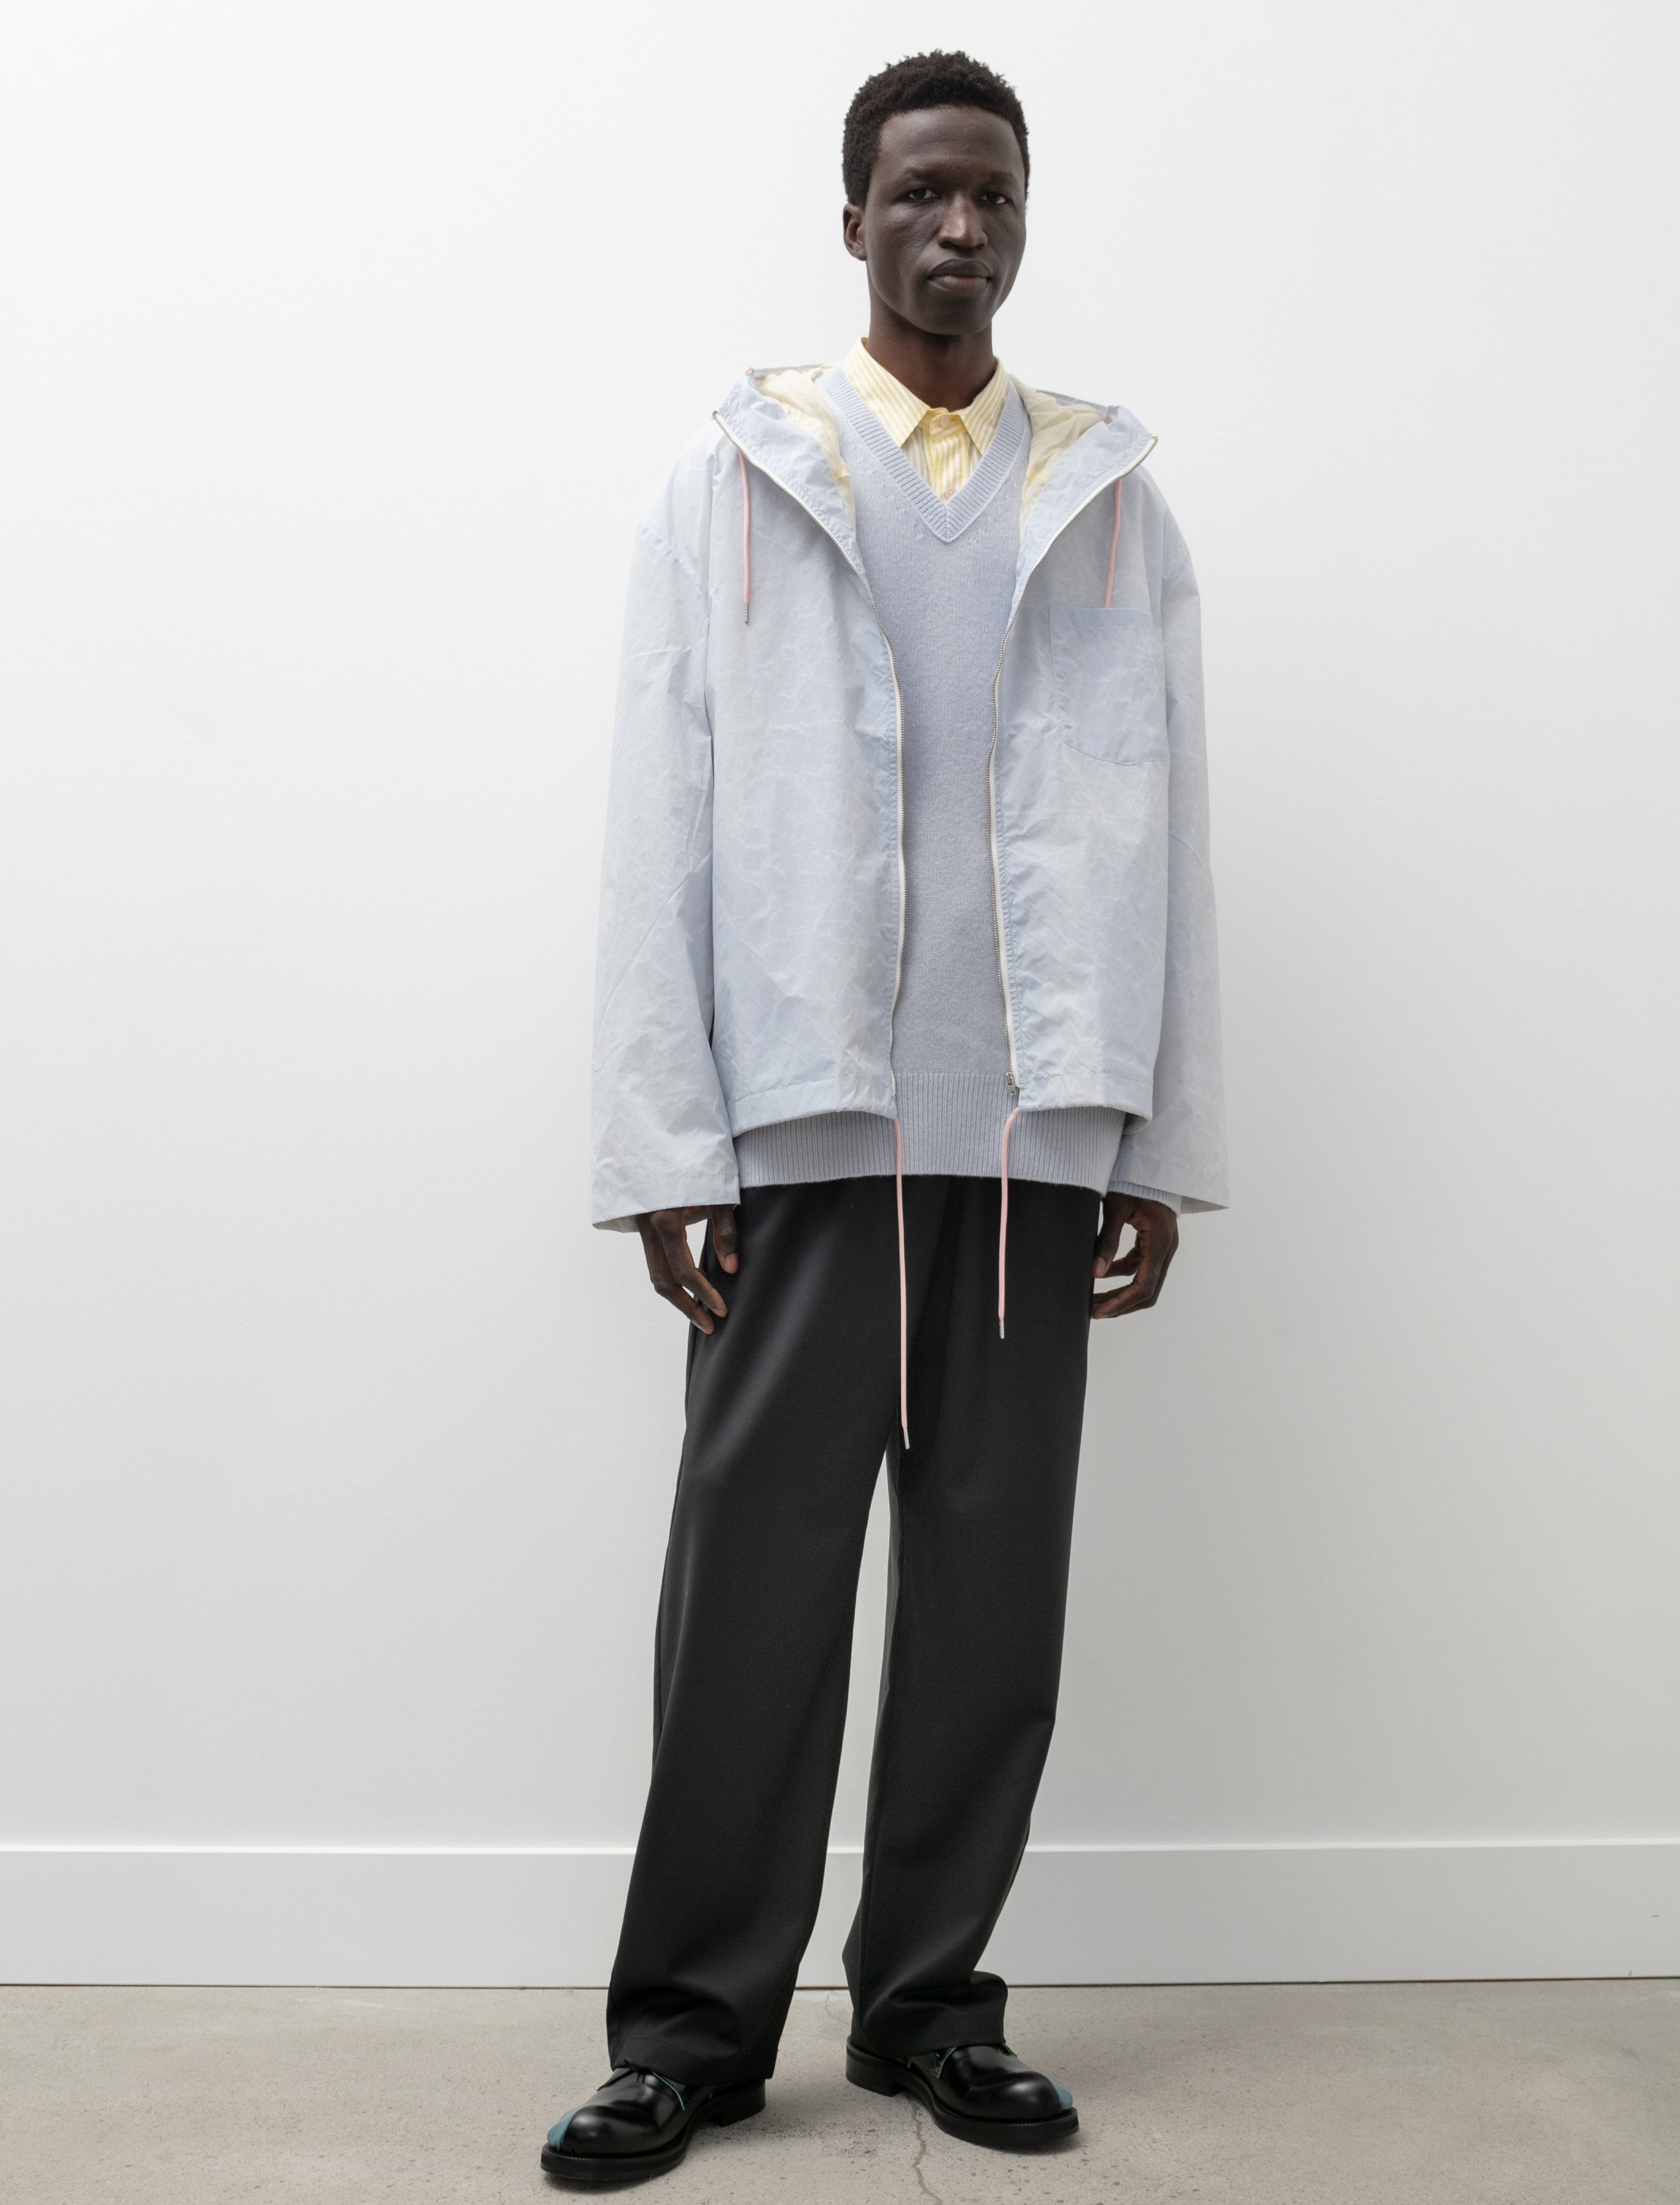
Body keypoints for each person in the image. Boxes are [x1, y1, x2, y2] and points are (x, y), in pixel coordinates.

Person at [543, 49, 1226, 2188]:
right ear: (853, 218)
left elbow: (1175, 834)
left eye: (992, 194)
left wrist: (1156, 1139)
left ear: (1024, 218)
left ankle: (931, 2008)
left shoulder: (1108, 493)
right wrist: (666, 1145)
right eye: (922, 191)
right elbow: (659, 808)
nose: (960, 227)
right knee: (750, 1605)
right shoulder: (737, 474)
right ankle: (690, 2036)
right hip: (800, 1133)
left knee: (990, 1614)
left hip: (1031, 1143)